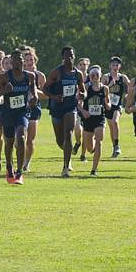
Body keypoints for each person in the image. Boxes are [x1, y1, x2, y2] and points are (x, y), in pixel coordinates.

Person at [0, 50, 39, 184]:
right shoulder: (4, 77)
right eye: (15, 60)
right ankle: (9, 166)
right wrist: (4, 91)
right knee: (9, 143)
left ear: (23, 61)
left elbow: (33, 90)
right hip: (8, 113)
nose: (18, 62)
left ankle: (19, 172)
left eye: (20, 59)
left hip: (22, 113)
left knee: (21, 136)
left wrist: (34, 97)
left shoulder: (29, 76)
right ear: (11, 62)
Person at [42, 46, 84, 178]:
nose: (69, 58)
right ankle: (68, 153)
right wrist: (54, 97)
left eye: (71, 55)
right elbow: (45, 89)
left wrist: (83, 94)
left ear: (74, 56)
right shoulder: (56, 72)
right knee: (60, 140)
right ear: (63, 57)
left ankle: (65, 167)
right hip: (56, 108)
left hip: (70, 107)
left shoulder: (78, 74)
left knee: (68, 134)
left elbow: (83, 90)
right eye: (66, 56)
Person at [78, 65, 108, 176]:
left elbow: (108, 102)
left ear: (100, 76)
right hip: (88, 119)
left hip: (100, 118)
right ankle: (93, 148)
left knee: (99, 142)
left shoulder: (105, 89)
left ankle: (94, 170)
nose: (95, 77)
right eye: (92, 75)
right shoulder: (85, 87)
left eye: (97, 75)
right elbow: (79, 103)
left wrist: (108, 105)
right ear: (89, 77)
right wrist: (83, 111)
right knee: (90, 147)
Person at [20, 47, 45, 173]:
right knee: (20, 138)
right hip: (21, 109)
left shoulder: (40, 76)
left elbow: (46, 95)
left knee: (30, 139)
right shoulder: (19, 75)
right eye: (27, 59)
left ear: (35, 60)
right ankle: (20, 159)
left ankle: (26, 163)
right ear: (23, 61)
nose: (30, 62)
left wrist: (34, 90)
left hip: (35, 108)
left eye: (31, 59)